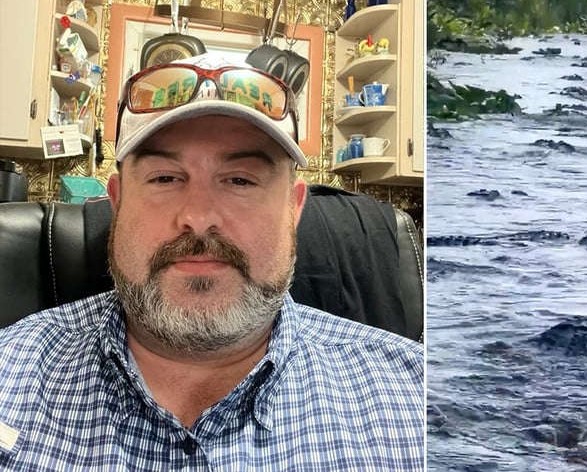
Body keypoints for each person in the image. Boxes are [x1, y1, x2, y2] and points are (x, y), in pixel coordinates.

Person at [0, 55, 424, 470]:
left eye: (240, 180)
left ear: (293, 210)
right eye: (165, 178)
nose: (199, 217)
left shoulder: (413, 400)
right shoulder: (10, 373)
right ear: (117, 202)